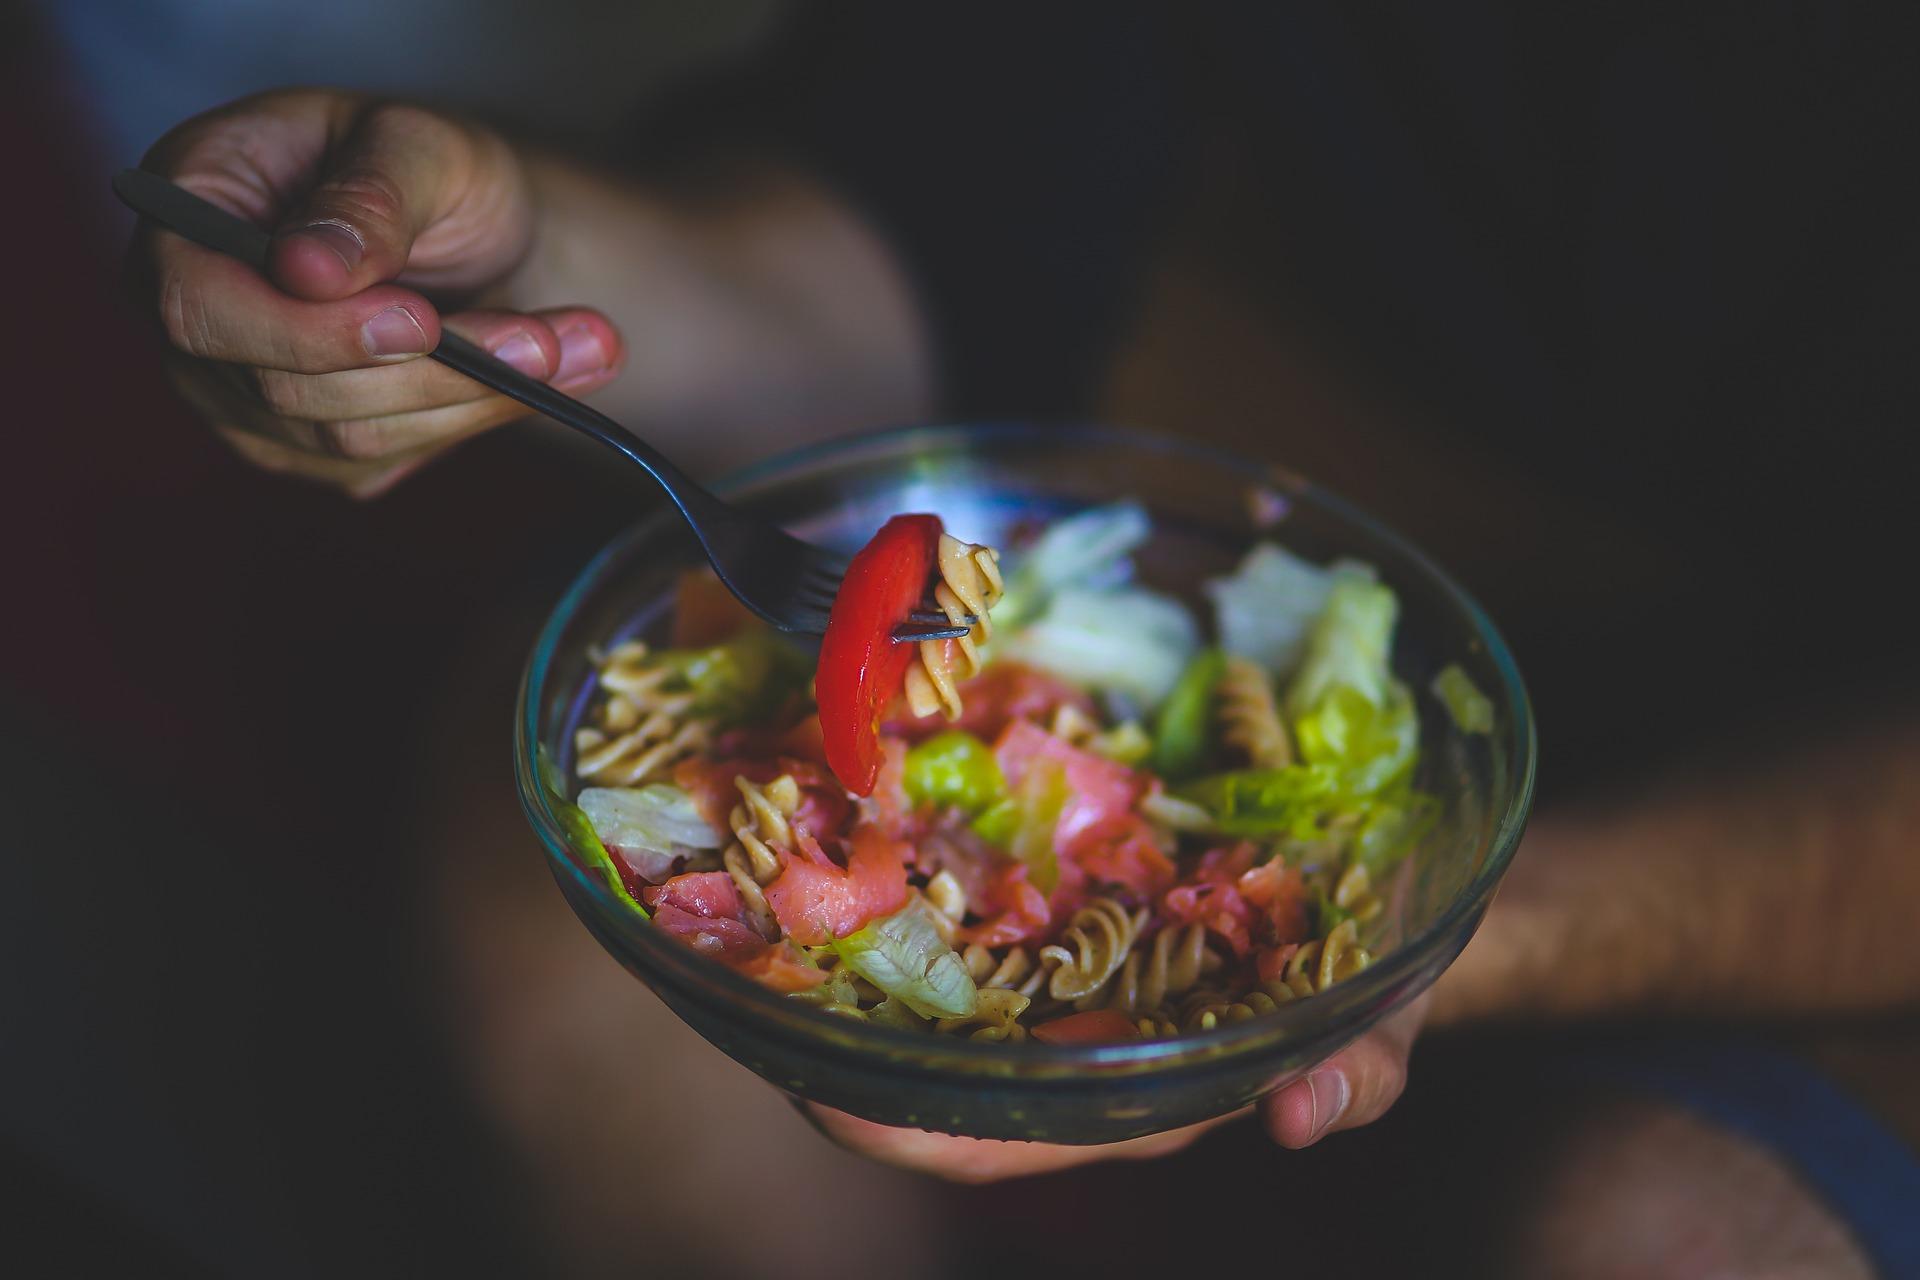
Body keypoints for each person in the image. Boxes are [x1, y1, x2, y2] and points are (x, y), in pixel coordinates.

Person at [123, 5, 1920, 1273]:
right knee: (539, 915)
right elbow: (930, 215)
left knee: (1667, 1237)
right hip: (1289, 458)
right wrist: (548, 268)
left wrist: (1412, 950)